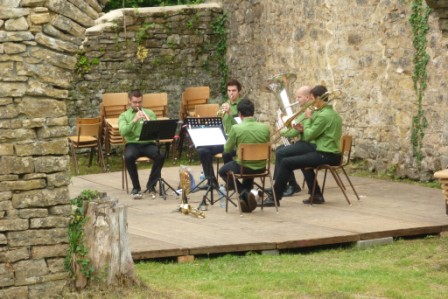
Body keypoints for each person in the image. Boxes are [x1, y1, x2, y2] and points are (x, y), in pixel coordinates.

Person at [263, 85, 342, 206]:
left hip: (326, 154)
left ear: (319, 98)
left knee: (286, 162)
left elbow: (309, 135)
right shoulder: (333, 114)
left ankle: (275, 198)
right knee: (304, 163)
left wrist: (308, 119)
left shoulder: (323, 115)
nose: (312, 102)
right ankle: (316, 195)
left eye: (313, 98)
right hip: (330, 153)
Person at [218, 98, 270, 213]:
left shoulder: (236, 128)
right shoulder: (265, 128)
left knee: (222, 171)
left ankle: (244, 192)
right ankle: (247, 200)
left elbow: (227, 149)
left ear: (240, 114)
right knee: (249, 166)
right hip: (262, 166)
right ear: (253, 112)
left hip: (244, 167)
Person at [119, 89, 165, 198]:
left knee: (160, 155)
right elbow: (123, 131)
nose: (137, 104)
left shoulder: (149, 113)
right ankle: (136, 187)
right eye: (135, 102)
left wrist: (149, 122)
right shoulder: (124, 116)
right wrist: (134, 120)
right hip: (132, 144)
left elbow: (156, 130)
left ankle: (151, 184)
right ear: (129, 101)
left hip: (148, 143)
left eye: (140, 102)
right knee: (128, 156)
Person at [196, 79, 242, 186]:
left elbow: (242, 125)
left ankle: (230, 182)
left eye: (234, 90)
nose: (231, 93)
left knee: (227, 152)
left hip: (236, 141)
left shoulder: (242, 105)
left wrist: (231, 113)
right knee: (202, 150)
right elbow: (220, 124)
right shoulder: (225, 105)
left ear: (239, 91)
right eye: (229, 91)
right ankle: (211, 181)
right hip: (224, 139)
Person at [274, 85, 314, 197]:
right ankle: (284, 183)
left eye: (299, 97)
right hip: (306, 144)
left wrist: (281, 130)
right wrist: (283, 128)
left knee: (281, 152)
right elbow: (295, 131)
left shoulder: (307, 111)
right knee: (281, 149)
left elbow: (294, 133)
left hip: (309, 144)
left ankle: (290, 184)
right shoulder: (303, 112)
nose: (296, 100)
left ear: (307, 97)